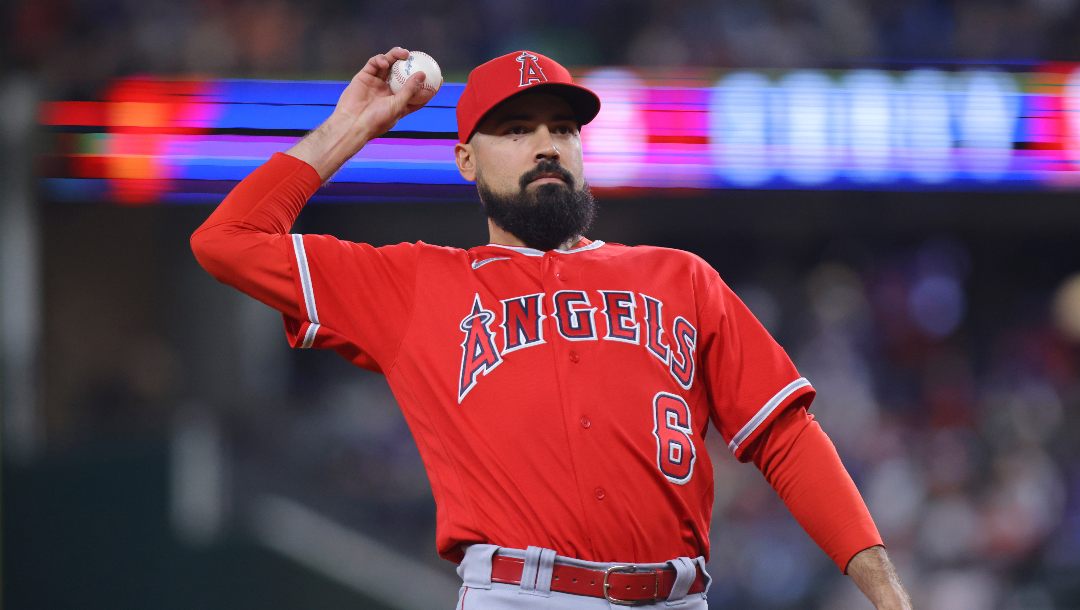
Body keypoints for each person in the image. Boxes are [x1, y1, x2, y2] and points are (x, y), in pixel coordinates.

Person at [191, 47, 912, 609]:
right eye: (514, 130)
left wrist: (884, 588)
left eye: (562, 128)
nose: (546, 145)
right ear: (466, 160)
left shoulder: (681, 278)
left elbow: (784, 437)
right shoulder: (414, 283)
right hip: (521, 596)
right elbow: (227, 240)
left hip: (679, 596)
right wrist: (356, 124)